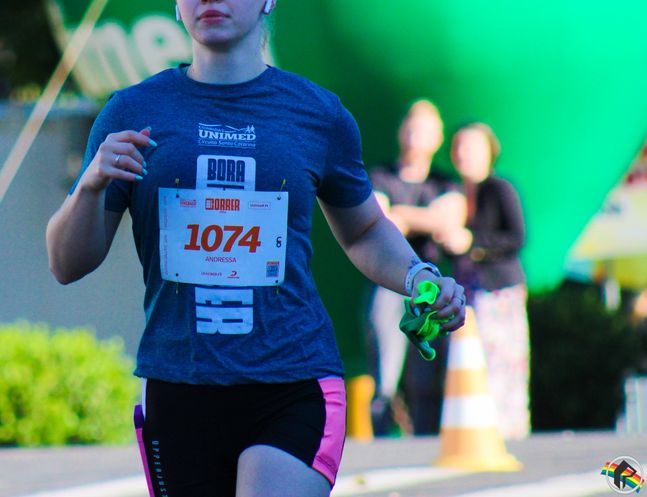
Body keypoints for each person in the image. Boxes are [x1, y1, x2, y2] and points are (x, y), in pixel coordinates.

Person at [45, 1, 466, 495]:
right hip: (179, 386)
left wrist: (418, 276)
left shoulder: (317, 113)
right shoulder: (133, 112)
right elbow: (66, 264)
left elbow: (364, 229)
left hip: (294, 379)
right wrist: (90, 186)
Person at [366, 100, 465, 435]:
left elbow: (448, 220)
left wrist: (403, 215)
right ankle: (381, 440)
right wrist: (426, 218)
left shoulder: (444, 182)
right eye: (410, 128)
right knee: (384, 372)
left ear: (437, 138)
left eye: (424, 130)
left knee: (426, 376)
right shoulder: (381, 175)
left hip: (429, 285)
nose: (415, 137)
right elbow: (380, 222)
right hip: (388, 281)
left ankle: (424, 442)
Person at [437, 122, 530, 439]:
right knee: (469, 360)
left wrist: (472, 243)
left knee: (502, 362)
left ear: (490, 151)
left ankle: (508, 431)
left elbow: (516, 237)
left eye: (472, 146)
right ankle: (477, 429)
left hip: (498, 290)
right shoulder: (454, 193)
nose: (464, 153)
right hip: (466, 289)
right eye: (459, 146)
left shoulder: (499, 188)